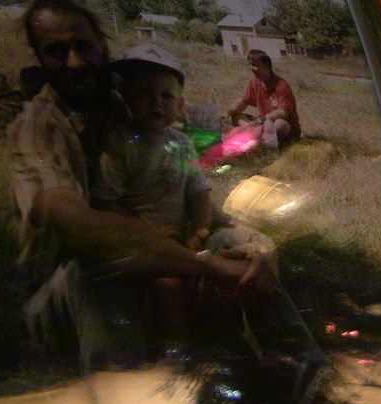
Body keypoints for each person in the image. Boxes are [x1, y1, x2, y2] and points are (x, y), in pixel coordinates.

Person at [5, 0, 276, 370]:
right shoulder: (38, 129)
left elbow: (189, 186)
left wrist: (245, 240)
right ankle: (134, 385)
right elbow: (75, 227)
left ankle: (290, 360)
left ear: (102, 49)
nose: (74, 62)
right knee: (98, 275)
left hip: (161, 245)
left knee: (249, 251)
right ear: (38, 57)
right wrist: (203, 263)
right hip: (67, 276)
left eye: (83, 46)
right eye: (56, 51)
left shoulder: (125, 109)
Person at [89, 44, 323, 370]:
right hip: (143, 241)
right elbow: (105, 202)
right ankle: (178, 362)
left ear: (180, 105)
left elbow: (199, 193)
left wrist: (200, 230)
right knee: (168, 284)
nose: (156, 102)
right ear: (125, 97)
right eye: (144, 93)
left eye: (166, 96)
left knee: (254, 256)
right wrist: (148, 234)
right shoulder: (120, 144)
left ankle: (296, 354)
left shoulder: (181, 143)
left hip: (188, 234)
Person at [227, 49, 301, 149]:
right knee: (236, 116)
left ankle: (259, 137)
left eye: (255, 65)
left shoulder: (282, 85)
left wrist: (260, 120)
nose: (252, 69)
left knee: (279, 125)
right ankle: (257, 135)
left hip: (284, 126)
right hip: (263, 123)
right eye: (250, 65)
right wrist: (229, 112)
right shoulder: (254, 83)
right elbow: (243, 102)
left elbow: (283, 113)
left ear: (266, 65)